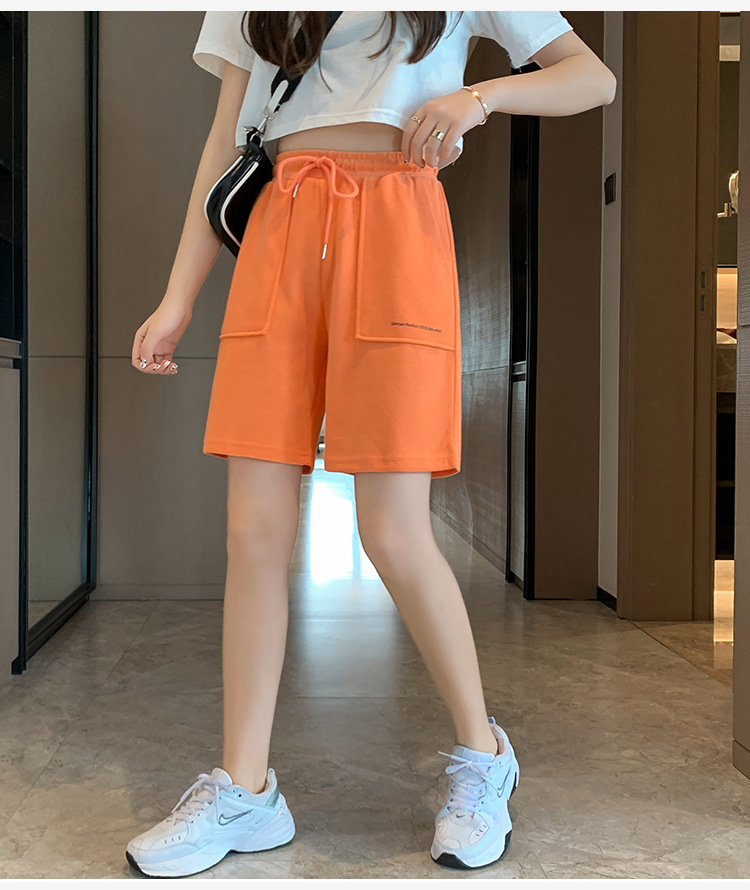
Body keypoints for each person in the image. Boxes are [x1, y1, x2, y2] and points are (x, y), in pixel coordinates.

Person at [125, 10, 616, 878]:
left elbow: (591, 77)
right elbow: (226, 142)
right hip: (279, 224)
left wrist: (478, 98)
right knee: (253, 531)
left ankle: (484, 757)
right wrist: (178, 296)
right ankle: (245, 791)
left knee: (392, 529)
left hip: (398, 219)